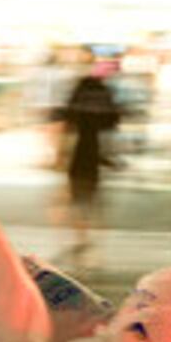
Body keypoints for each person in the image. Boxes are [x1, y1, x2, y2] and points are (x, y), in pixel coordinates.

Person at [56, 54, 121, 270]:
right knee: (93, 197)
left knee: (76, 197)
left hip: (78, 152)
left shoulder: (78, 97)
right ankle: (93, 237)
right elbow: (113, 125)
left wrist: (60, 155)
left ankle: (81, 237)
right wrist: (111, 156)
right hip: (96, 153)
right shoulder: (105, 95)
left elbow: (68, 125)